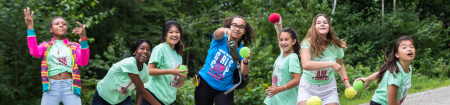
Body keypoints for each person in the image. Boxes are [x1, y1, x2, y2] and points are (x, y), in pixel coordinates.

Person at [24, 7, 89, 105]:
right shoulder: (46, 46)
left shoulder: (74, 46)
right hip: (51, 88)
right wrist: (30, 29)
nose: (61, 25)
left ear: (66, 29)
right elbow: (34, 52)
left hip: (70, 87)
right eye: (57, 24)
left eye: (64, 24)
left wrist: (83, 39)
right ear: (51, 30)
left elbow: (83, 62)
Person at [194, 15, 255, 105]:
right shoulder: (220, 39)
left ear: (244, 31)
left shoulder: (242, 50)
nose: (237, 29)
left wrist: (246, 60)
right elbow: (217, 33)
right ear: (229, 26)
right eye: (234, 25)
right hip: (205, 82)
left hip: (225, 89)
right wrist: (224, 30)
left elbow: (244, 72)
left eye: (241, 27)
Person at [297, 14, 352, 105]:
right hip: (307, 88)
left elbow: (340, 65)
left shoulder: (336, 45)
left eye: (325, 22)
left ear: (329, 27)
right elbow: (306, 65)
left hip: (329, 90)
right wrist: (330, 63)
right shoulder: (307, 44)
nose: (322, 24)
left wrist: (347, 84)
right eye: (318, 23)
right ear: (314, 27)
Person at [92, 39, 160, 105]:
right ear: (134, 52)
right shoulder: (129, 63)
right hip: (102, 97)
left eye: (148, 50)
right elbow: (142, 90)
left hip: (122, 99)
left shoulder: (144, 69)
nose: (145, 51)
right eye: (142, 48)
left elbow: (140, 89)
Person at [138, 20, 188, 105]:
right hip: (153, 95)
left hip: (167, 101)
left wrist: (182, 76)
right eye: (171, 32)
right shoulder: (160, 49)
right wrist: (171, 71)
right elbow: (149, 71)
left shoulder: (179, 57)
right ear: (165, 35)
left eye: (177, 32)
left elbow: (178, 85)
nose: (174, 34)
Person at [355, 36, 415, 105]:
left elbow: (383, 71)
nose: (409, 49)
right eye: (404, 47)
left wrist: (368, 79)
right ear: (397, 54)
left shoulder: (406, 67)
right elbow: (392, 103)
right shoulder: (396, 72)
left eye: (411, 46)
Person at [263, 17, 302, 105]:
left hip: (287, 101)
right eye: (281, 40)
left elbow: (297, 80)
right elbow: (282, 43)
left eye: (286, 39)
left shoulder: (292, 57)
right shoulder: (282, 54)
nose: (283, 42)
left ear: (294, 41)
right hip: (275, 98)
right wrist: (278, 27)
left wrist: (279, 89)